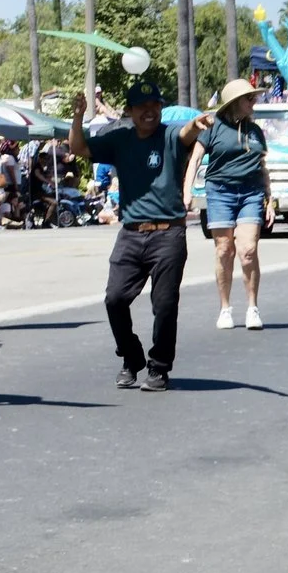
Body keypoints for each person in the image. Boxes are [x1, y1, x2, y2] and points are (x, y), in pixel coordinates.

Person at [73, 83, 210, 390]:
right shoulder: (119, 138)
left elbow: (186, 132)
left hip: (168, 234)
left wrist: (196, 123)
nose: (149, 111)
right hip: (131, 234)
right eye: (142, 106)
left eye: (155, 105)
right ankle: (131, 355)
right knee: (115, 298)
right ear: (130, 111)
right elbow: (79, 149)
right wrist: (78, 117)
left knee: (165, 304)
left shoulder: (169, 135)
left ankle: (159, 367)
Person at [189, 77, 272, 331]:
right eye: (249, 98)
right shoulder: (213, 127)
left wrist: (270, 199)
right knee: (224, 249)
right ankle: (225, 308)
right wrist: (187, 191)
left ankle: (252, 307)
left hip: (251, 193)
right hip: (220, 191)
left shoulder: (255, 131)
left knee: (248, 251)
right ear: (235, 102)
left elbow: (262, 166)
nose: (254, 101)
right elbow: (195, 159)